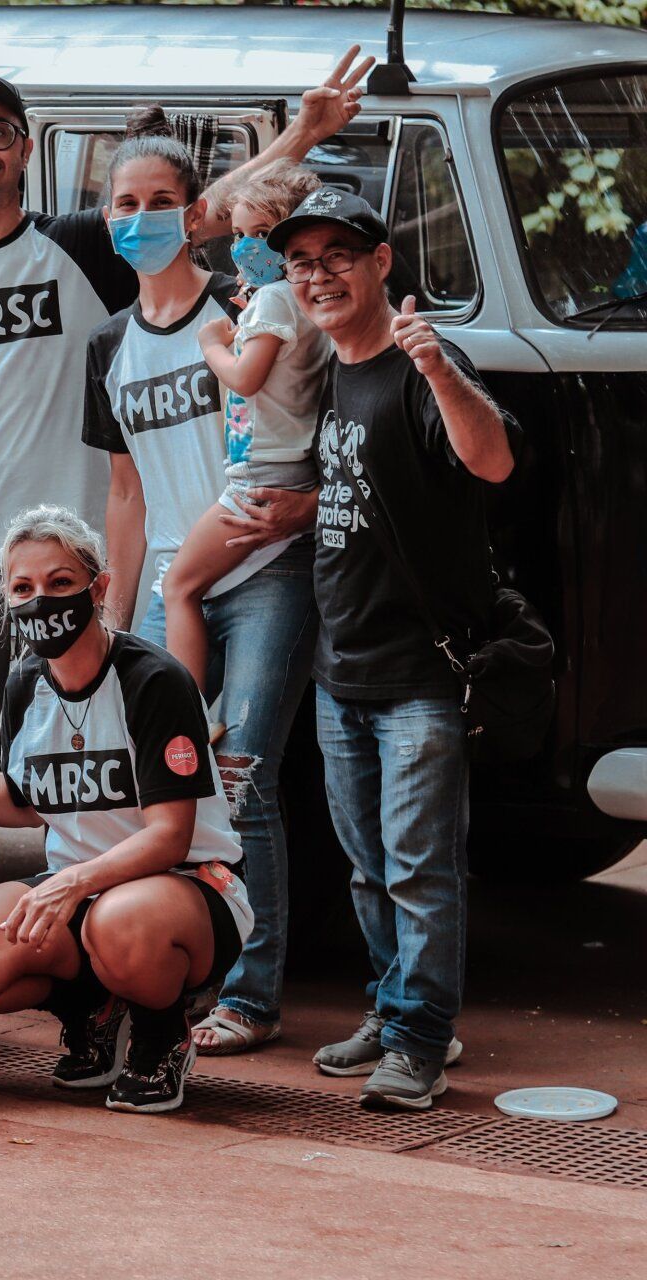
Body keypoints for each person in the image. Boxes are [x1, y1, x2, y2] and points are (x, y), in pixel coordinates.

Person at [0, 49, 374, 773]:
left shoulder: (78, 242)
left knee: (84, 746)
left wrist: (304, 133)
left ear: (24, 150)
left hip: (73, 554)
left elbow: (194, 209)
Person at [272, 188, 517, 1109]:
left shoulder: (422, 362)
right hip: (342, 668)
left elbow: (493, 461)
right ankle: (394, 1008)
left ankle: (419, 1040)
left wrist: (439, 369)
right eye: (302, 262)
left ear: (381, 263)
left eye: (339, 255)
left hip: (419, 673)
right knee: (370, 870)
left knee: (420, 869)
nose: (319, 275)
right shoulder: (330, 370)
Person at [80, 122, 321, 1058]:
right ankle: (161, 978)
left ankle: (252, 998)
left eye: (159, 202)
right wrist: (113, 621)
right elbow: (125, 493)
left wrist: (308, 504)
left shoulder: (247, 302)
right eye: (124, 204)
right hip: (166, 584)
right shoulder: (109, 343)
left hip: (262, 569)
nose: (140, 218)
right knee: (165, 788)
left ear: (195, 215)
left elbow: (316, 413)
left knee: (243, 779)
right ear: (106, 217)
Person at [0, 506, 250, 1114]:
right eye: (23, 587)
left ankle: (161, 1034)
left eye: (60, 582)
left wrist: (70, 883)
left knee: (118, 921)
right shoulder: (24, 681)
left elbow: (169, 837)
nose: (41, 600)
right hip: (81, 890)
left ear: (99, 586)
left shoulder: (153, 679)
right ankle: (93, 1008)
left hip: (186, 886)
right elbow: (24, 802)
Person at [169, 160, 331, 710]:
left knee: (179, 587)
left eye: (262, 234)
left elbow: (245, 378)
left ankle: (184, 721)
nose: (243, 248)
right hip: (289, 468)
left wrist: (212, 343)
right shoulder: (302, 299)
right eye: (238, 234)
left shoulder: (276, 299)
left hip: (258, 477)